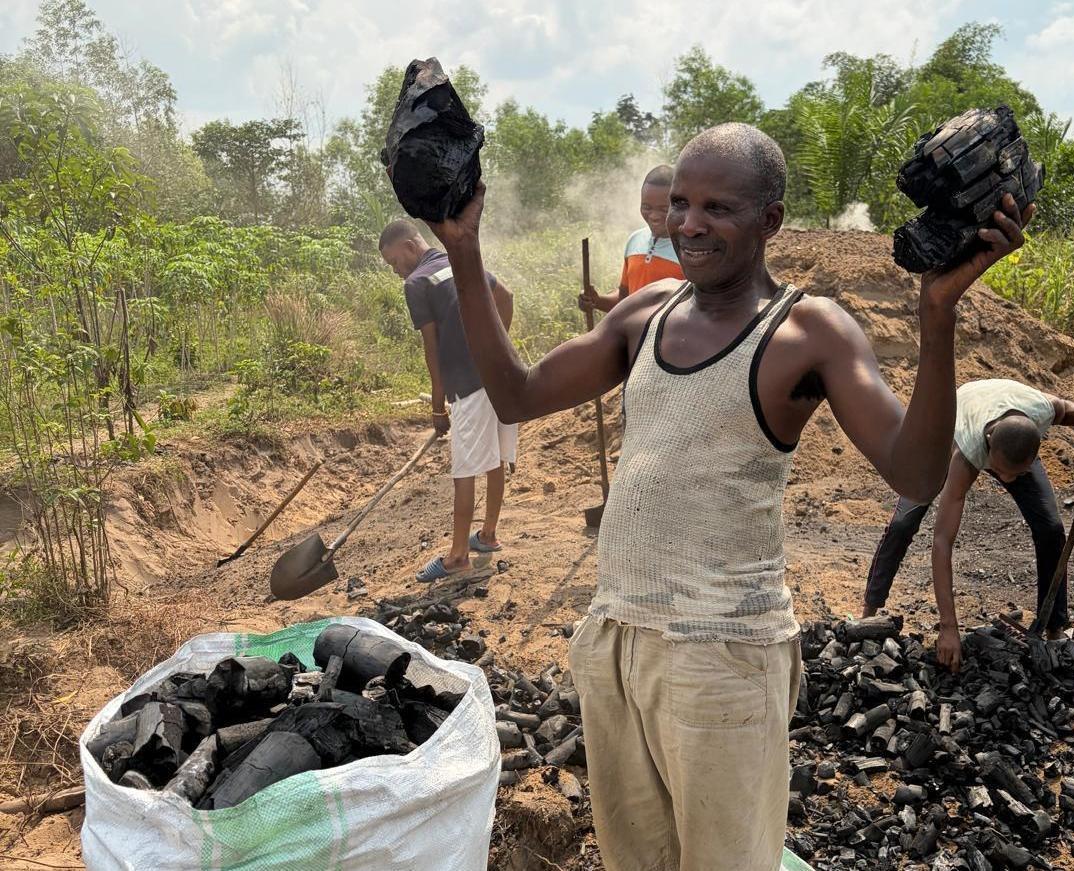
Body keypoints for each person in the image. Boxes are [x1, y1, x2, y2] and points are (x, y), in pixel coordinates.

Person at [425, 122, 1032, 871]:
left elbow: (914, 473)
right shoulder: (645, 316)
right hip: (618, 640)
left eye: (717, 207)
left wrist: (936, 315)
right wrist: (463, 249)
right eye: (680, 202)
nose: (687, 223)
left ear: (770, 220)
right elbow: (515, 395)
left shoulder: (808, 331)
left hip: (723, 654)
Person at [863, 378, 1074, 670]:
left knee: (1051, 529)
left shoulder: (1039, 412)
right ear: (989, 446)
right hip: (952, 423)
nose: (1006, 481)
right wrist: (949, 626)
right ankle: (869, 612)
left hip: (1009, 423)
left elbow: (1064, 410)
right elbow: (942, 541)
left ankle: (1055, 627)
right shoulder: (967, 452)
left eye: (1015, 475)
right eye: (1002, 472)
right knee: (904, 523)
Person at [378, 219, 516, 582]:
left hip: (467, 385)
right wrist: (495, 347)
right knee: (494, 456)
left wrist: (438, 407)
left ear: (410, 246)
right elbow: (507, 297)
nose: (397, 271)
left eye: (395, 262)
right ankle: (487, 535)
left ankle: (457, 557)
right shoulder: (457, 260)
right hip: (501, 376)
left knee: (465, 468)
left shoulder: (417, 283)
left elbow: (431, 349)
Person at [579, 164, 683, 313]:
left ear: (679, 205)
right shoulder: (635, 240)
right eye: (646, 207)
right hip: (633, 336)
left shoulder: (689, 249)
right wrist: (596, 301)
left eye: (664, 209)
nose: (653, 216)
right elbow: (624, 300)